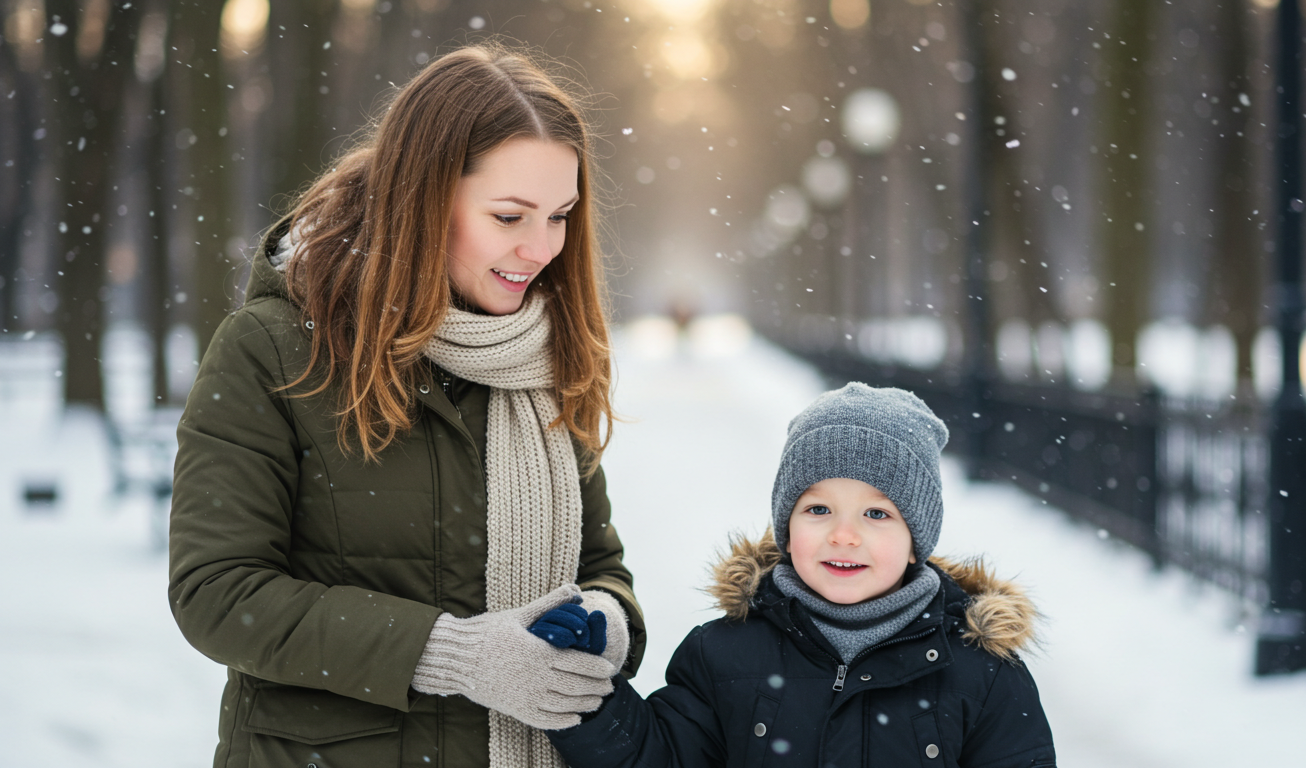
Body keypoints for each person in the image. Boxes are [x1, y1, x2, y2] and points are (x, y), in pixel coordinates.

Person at [167, 43, 645, 768]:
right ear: (425, 197)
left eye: (561, 216)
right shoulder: (273, 349)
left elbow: (601, 566)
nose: (542, 247)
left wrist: (606, 623)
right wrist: (451, 654)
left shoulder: (540, 355)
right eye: (510, 216)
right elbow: (218, 592)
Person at [547, 383, 1057, 768]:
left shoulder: (981, 674)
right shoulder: (724, 655)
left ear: (916, 542)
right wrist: (591, 697)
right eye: (818, 510)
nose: (844, 535)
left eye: (876, 515)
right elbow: (661, 758)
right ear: (786, 528)